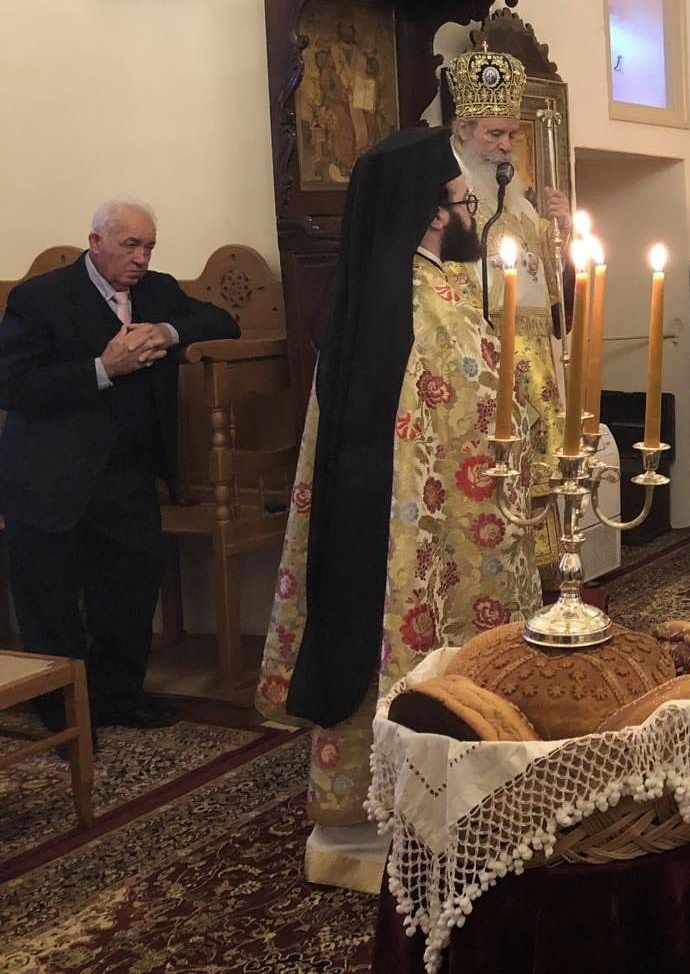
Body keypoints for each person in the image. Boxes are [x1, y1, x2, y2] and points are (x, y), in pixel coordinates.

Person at [257, 129, 547, 891]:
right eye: (460, 201)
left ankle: (365, 801)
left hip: (387, 528)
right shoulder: (432, 304)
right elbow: (482, 415)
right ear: (431, 211)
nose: (468, 212)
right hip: (426, 537)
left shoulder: (369, 297)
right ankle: (434, 807)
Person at [0, 200, 239, 734]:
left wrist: (168, 332)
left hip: (126, 471)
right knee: (51, 601)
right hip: (48, 475)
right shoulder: (40, 298)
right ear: (96, 242)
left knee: (127, 592)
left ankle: (118, 698)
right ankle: (64, 715)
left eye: (148, 246)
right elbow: (13, 386)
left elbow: (224, 321)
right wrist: (102, 369)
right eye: (130, 245)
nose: (141, 257)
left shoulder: (158, 291)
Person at [445, 45, 571, 589]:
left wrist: (559, 232)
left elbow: (550, 290)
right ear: (464, 130)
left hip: (536, 365)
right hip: (485, 361)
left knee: (543, 474)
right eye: (494, 134)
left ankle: (545, 586)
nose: (504, 145)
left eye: (511, 135)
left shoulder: (517, 199)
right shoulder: (449, 200)